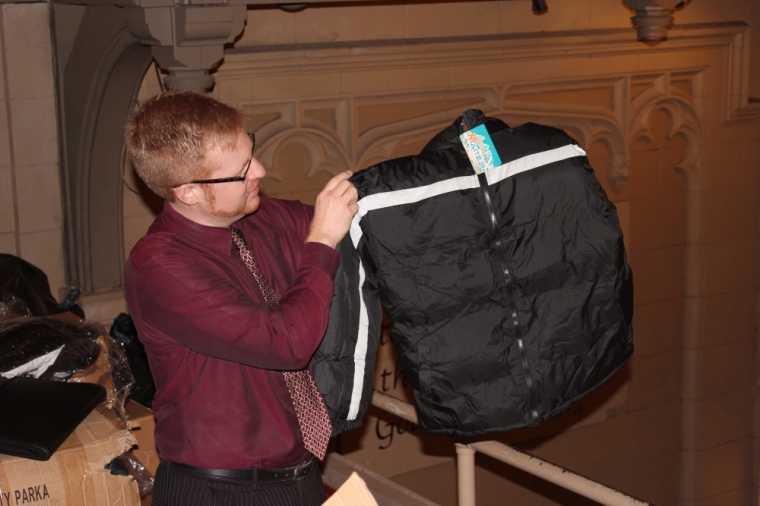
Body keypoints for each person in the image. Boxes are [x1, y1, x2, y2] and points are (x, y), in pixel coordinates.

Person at [123, 91, 358, 506]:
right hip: (219, 491)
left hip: (300, 478)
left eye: (253, 154)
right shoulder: (159, 266)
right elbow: (285, 343)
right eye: (242, 171)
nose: (261, 172)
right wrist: (321, 240)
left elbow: (361, 214)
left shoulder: (260, 217)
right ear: (188, 192)